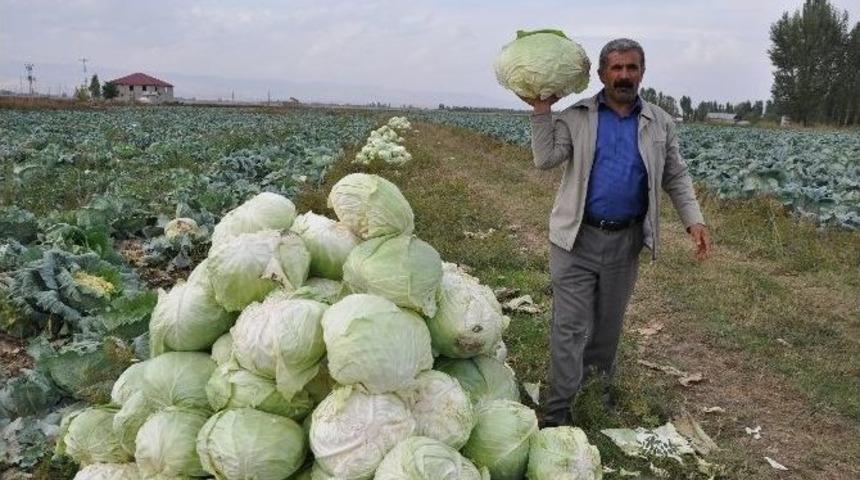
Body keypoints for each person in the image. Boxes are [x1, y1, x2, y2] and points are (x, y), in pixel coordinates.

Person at [520, 38, 711, 427]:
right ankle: (557, 412)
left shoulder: (660, 122)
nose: (624, 75)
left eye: (632, 68)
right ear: (602, 73)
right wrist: (542, 111)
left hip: (625, 244)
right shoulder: (577, 116)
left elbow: (675, 174)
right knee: (570, 328)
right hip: (575, 240)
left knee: (606, 331)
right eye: (617, 68)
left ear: (642, 72)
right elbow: (545, 160)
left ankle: (595, 399)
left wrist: (694, 219)